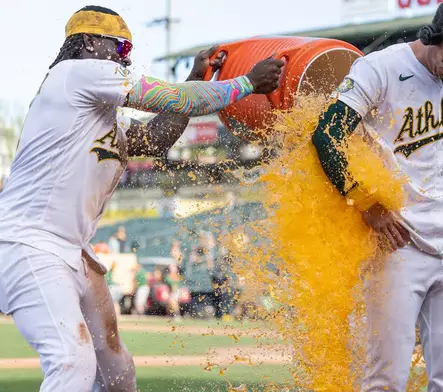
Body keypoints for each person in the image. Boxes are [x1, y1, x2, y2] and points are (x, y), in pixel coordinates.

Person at [0, 5, 283, 392]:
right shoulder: (75, 73)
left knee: (117, 371)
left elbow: (156, 138)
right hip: (30, 242)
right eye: (119, 49)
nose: (125, 59)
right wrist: (246, 83)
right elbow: (173, 99)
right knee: (71, 362)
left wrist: (194, 77)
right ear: (87, 42)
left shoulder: (99, 111)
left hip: (71, 250)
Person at [311, 1, 443, 391]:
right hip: (399, 242)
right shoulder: (380, 68)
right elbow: (326, 135)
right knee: (385, 379)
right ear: (434, 37)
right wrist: (365, 203)